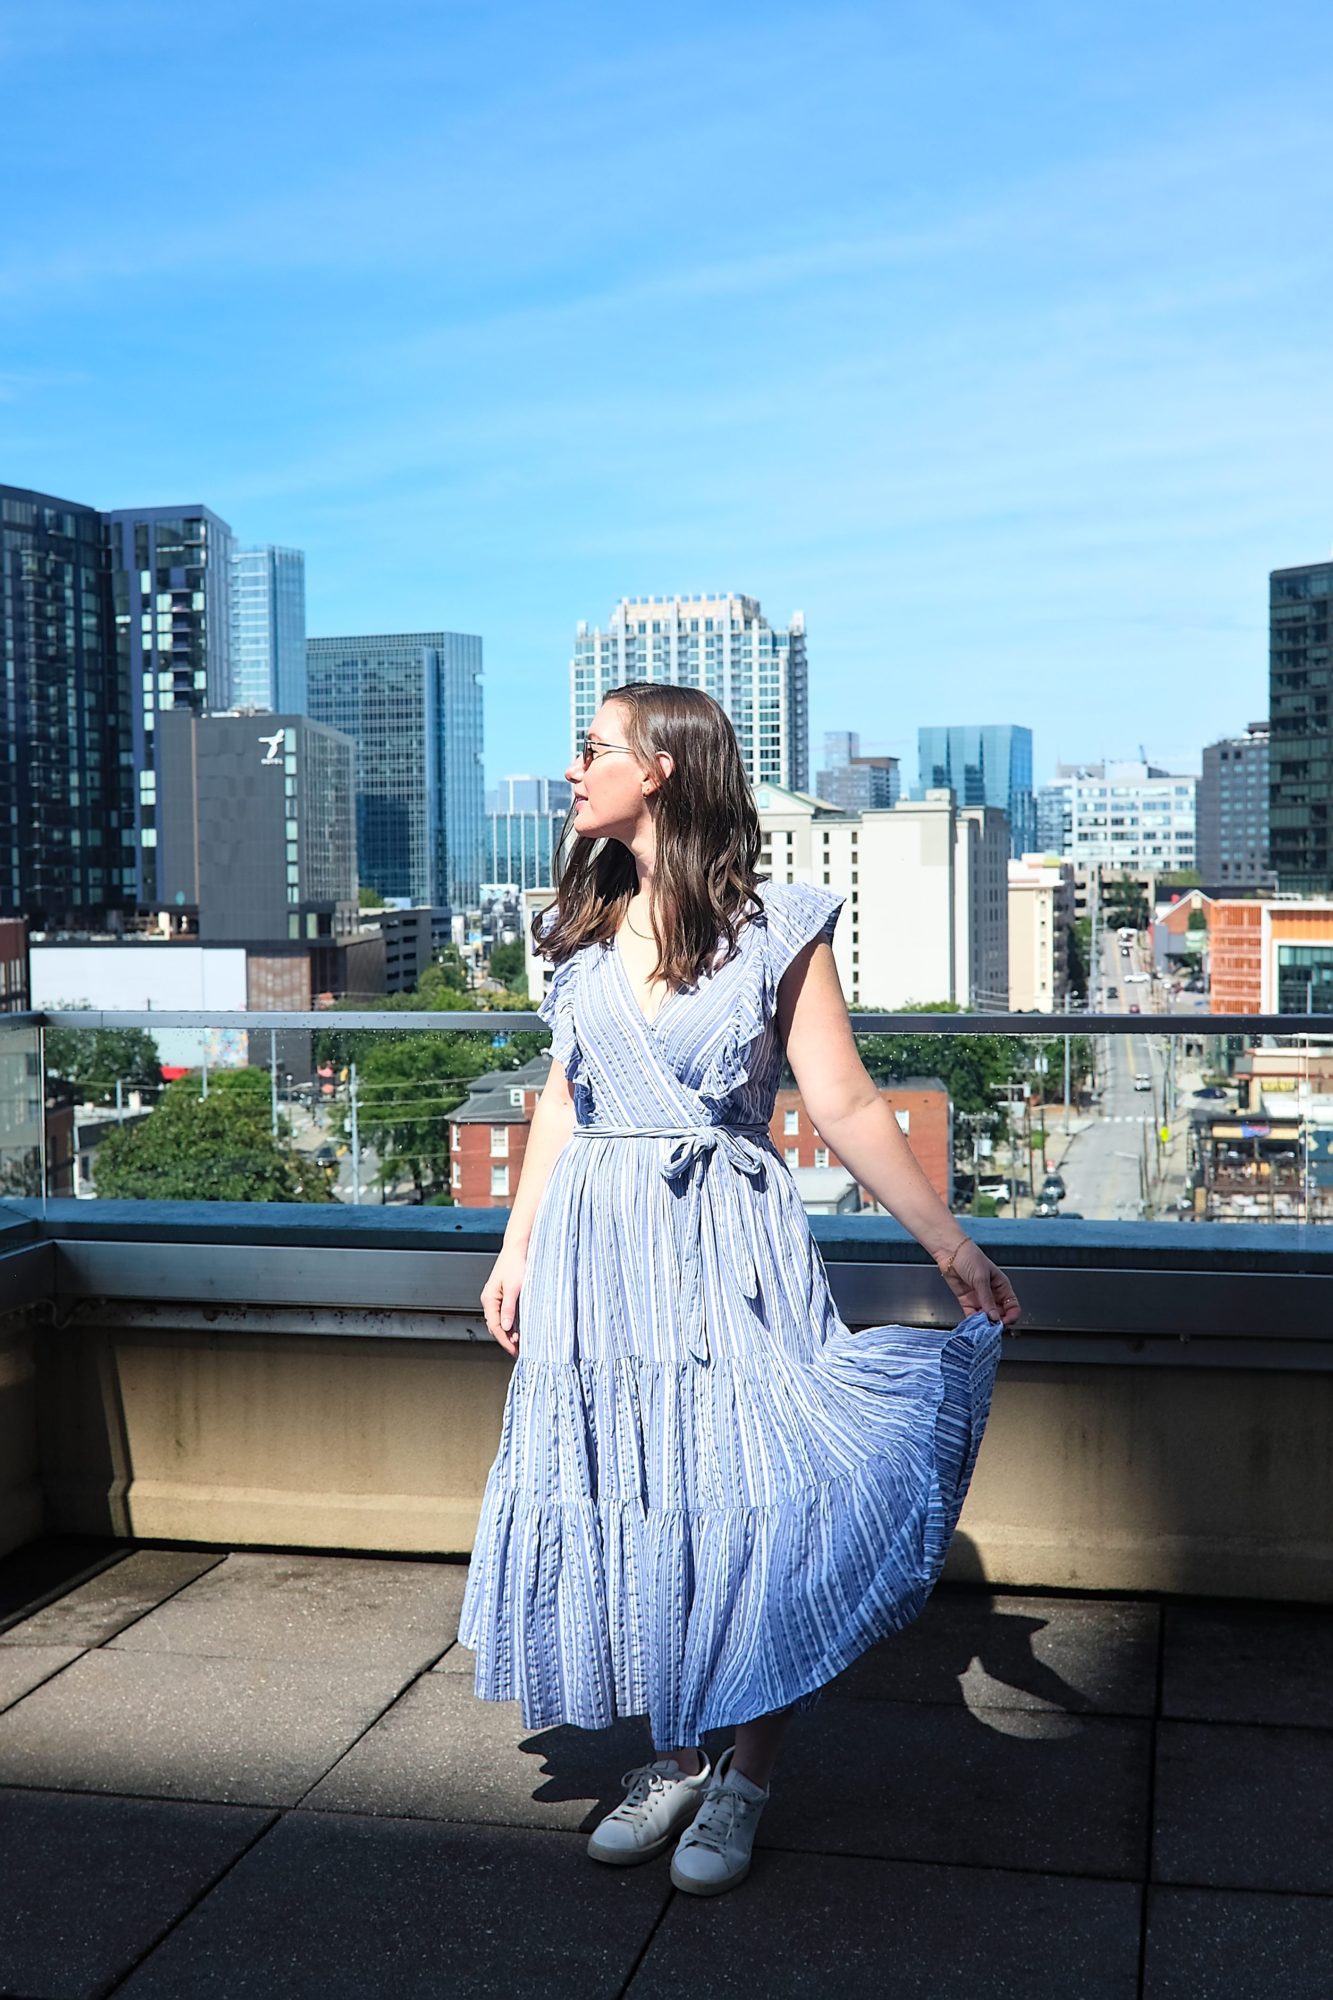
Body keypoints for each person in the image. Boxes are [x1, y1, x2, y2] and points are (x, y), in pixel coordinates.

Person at [459, 683, 1021, 1898]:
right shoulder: (579, 920)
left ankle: (745, 1774)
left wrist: (948, 1245)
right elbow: (562, 1102)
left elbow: (848, 1102)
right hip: (598, 1252)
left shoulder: (776, 926)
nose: (573, 770)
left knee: (747, 1491)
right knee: (643, 1487)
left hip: (725, 1244)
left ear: (660, 768)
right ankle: (671, 1753)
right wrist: (514, 1250)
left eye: (592, 750)